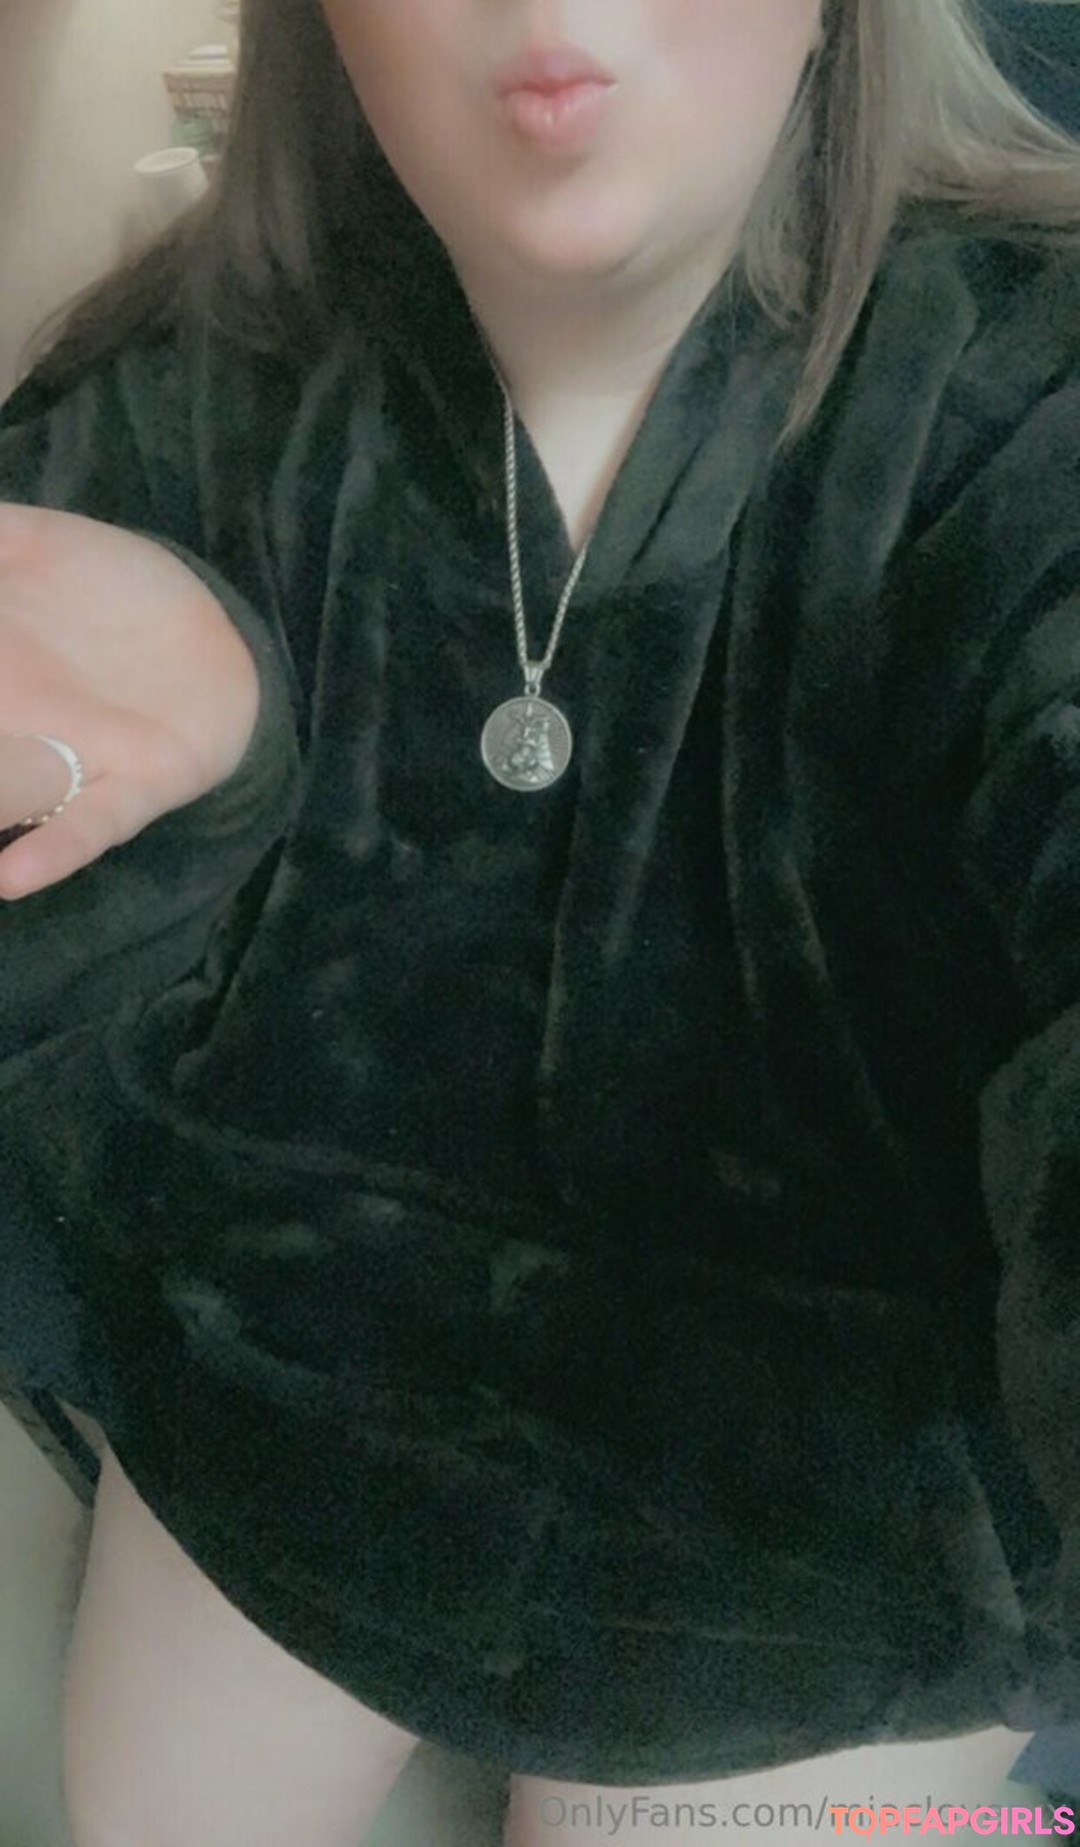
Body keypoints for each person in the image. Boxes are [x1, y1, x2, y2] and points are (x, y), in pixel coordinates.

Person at [1, 1, 1079, 1842]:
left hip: (831, 1591)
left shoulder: (1031, 406)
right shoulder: (155, 406)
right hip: (285, 1456)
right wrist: (183, 787)